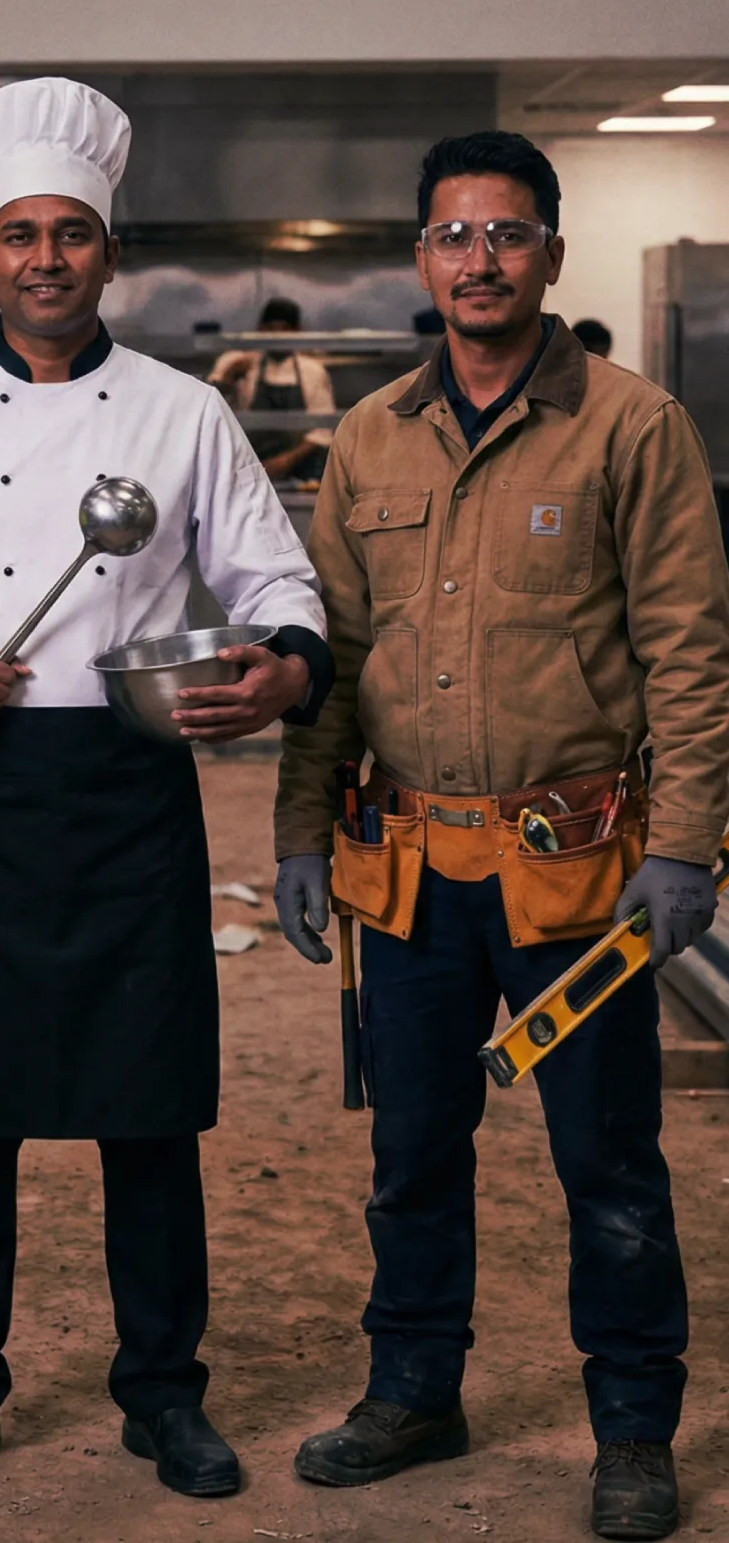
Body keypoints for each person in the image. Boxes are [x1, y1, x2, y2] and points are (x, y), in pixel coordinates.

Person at [0, 77, 333, 1503]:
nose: (46, 256)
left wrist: (285, 667)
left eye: (73, 234)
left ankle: (163, 1394)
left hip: (129, 787)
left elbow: (275, 577)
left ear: (108, 253)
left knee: (149, 1113)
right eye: (20, 234)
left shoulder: (183, 415)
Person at [271, 130, 729, 1542]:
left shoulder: (634, 427)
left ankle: (633, 1430)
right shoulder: (367, 437)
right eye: (456, 236)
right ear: (423, 258)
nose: (480, 260)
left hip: (576, 872)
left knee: (611, 1168)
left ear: (550, 254)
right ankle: (415, 1389)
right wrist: (298, 828)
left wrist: (689, 847)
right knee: (412, 1154)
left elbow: (691, 654)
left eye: (508, 235)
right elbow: (335, 657)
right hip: (405, 869)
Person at [208, 296, 337, 482]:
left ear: (297, 332)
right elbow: (213, 415)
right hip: (246, 468)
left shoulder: (312, 371)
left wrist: (285, 461)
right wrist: (228, 378)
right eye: (270, 328)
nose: (276, 335)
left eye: (284, 329)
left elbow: (321, 433)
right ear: (260, 330)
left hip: (298, 471)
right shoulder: (236, 362)